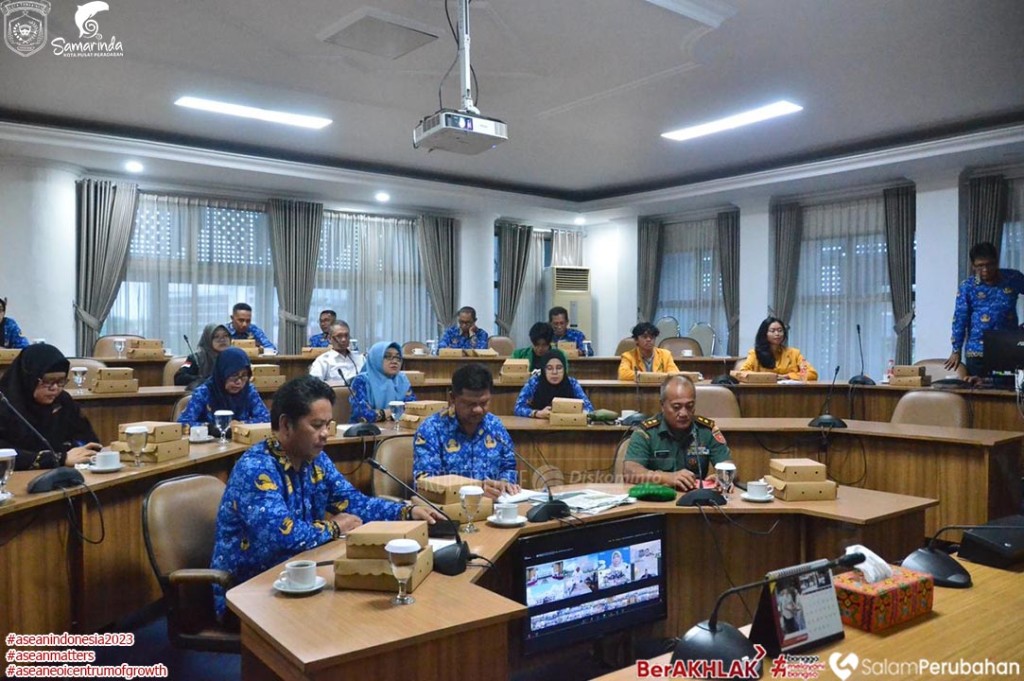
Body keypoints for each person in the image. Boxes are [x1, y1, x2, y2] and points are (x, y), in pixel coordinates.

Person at [209, 375, 443, 618]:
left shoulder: (315, 459)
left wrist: (406, 511)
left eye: (327, 425)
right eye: (316, 425)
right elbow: (283, 537)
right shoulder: (256, 468)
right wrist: (334, 527)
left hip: (301, 578)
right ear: (286, 424)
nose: (325, 434)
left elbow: (353, 502)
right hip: (250, 595)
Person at [412, 363, 520, 499]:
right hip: (451, 511)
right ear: (452, 398)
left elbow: (508, 466)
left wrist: (505, 483)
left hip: (496, 507)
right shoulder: (431, 429)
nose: (478, 410)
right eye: (470, 404)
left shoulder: (495, 425)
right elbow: (425, 483)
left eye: (484, 403)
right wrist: (474, 490)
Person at [0, 344, 101, 470]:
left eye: (61, 381)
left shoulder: (63, 401)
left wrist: (82, 450)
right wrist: (59, 458)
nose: (55, 388)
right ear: (29, 378)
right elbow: (4, 453)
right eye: (47, 381)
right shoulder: (5, 403)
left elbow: (87, 439)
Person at [622, 375, 732, 491]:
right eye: (676, 407)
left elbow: (727, 463)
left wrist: (722, 476)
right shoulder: (646, 432)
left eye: (689, 406)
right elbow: (630, 471)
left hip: (697, 502)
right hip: (656, 502)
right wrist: (667, 478)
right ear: (662, 405)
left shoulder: (706, 431)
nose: (684, 413)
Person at [947, 242, 1024, 376]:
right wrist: (956, 350)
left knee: (1009, 393)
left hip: (1009, 348)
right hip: (978, 351)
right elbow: (960, 319)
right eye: (980, 266)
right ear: (973, 266)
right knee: (979, 392)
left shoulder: (1013, 278)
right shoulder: (967, 287)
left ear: (996, 262)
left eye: (989, 264)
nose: (985, 270)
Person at [177, 347, 270, 433]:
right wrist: (212, 427)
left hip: (241, 442)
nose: (239, 382)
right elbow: (183, 423)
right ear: (222, 373)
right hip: (211, 445)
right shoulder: (204, 392)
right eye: (234, 375)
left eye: (244, 376)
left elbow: (266, 419)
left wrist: (241, 424)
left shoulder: (249, 390)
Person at [349, 341, 416, 423]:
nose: (394, 361)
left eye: (398, 358)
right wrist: (394, 412)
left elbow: (413, 408)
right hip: (364, 432)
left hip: (396, 429)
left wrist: (382, 413)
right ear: (376, 358)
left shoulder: (402, 380)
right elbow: (363, 415)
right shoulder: (361, 381)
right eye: (388, 357)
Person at [514, 352, 593, 419]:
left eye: (559, 368)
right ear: (543, 370)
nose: (554, 372)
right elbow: (518, 408)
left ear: (564, 369)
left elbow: (589, 409)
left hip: (567, 427)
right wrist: (537, 413)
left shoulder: (572, 383)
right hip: (539, 429)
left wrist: (575, 414)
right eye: (549, 368)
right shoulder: (535, 382)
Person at [738, 317, 818, 380]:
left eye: (780, 330)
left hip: (789, 393)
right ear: (764, 334)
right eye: (772, 331)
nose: (777, 334)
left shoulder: (794, 353)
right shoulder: (754, 354)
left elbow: (812, 374)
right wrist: (770, 377)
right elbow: (743, 373)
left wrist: (788, 376)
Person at [174, 323, 231, 388]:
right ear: (207, 339)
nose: (222, 340)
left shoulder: (234, 357)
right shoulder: (195, 358)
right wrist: (202, 379)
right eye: (216, 336)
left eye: (225, 336)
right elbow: (179, 378)